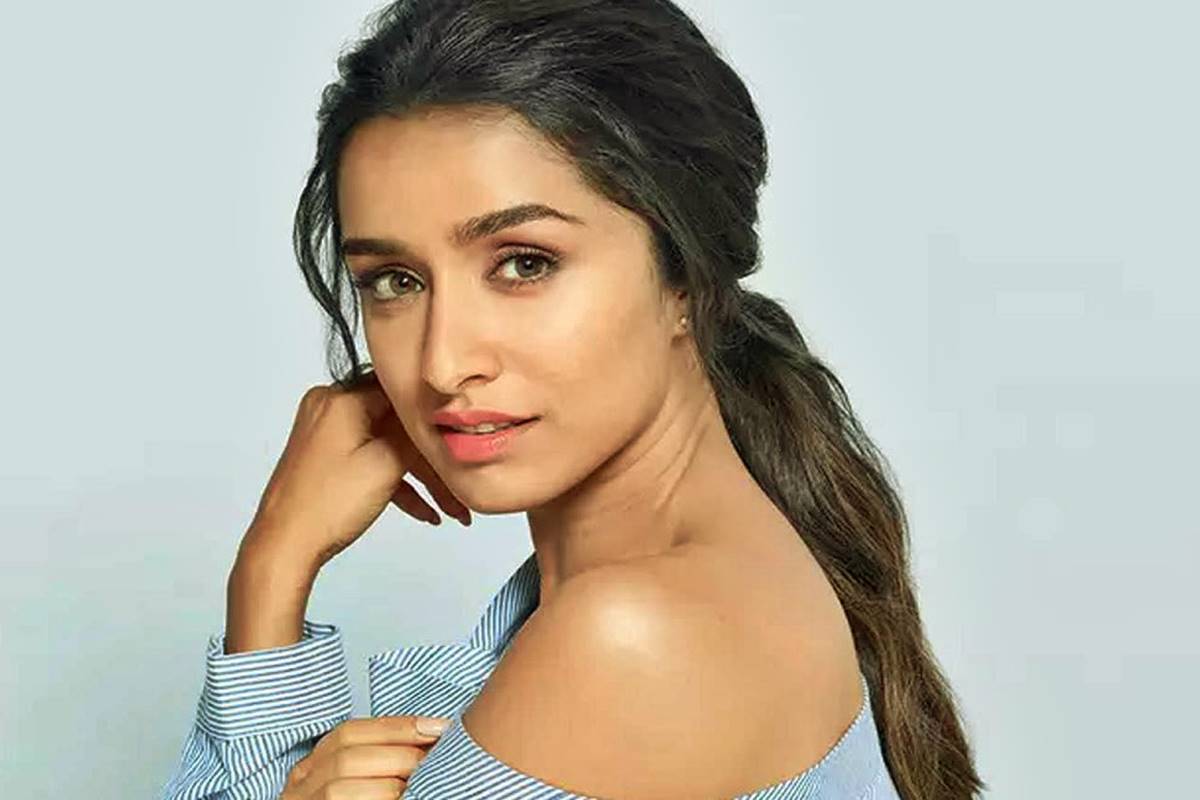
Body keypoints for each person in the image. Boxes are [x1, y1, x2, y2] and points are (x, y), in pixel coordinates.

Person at [160, 1, 985, 798]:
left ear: (687, 278)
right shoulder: (731, 561)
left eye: (524, 264)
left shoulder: (629, 640)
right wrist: (274, 565)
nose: (443, 363)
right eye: (395, 281)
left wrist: (271, 572)